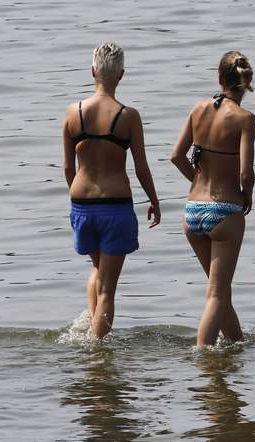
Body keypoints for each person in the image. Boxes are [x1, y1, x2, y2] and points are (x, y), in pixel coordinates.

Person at [62, 42, 160, 339]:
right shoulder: (128, 116)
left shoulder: (72, 112)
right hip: (114, 207)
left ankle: (92, 331)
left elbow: (68, 168)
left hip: (81, 205)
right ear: (121, 75)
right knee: (108, 288)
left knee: (97, 271)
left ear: (93, 71)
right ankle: (97, 353)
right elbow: (141, 167)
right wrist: (154, 200)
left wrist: (79, 199)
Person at [170, 51, 255, 347]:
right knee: (217, 295)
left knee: (221, 293)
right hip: (224, 210)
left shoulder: (198, 109)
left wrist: (196, 180)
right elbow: (246, 172)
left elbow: (175, 156)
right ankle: (203, 357)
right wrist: (247, 195)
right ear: (246, 84)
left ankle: (237, 344)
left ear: (220, 78)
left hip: (192, 210)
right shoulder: (245, 119)